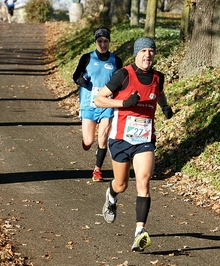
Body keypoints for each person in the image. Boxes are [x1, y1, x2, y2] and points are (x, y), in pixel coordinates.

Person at [94, 37, 173, 252]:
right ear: (137, 54)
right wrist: (123, 103)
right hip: (121, 139)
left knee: (144, 182)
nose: (148, 54)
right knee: (121, 185)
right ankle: (111, 196)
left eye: (151, 51)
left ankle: (139, 232)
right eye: (144, 51)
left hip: (145, 140)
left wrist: (165, 106)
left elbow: (159, 93)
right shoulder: (124, 75)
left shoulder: (158, 77)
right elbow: (99, 99)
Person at [72, 26, 123, 182]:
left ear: (109, 42)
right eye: (100, 41)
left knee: (103, 139)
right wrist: (80, 80)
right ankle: (86, 141)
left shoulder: (116, 60)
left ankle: (97, 170)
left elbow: (122, 81)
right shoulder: (87, 58)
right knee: (89, 141)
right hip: (89, 104)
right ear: (95, 42)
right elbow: (76, 75)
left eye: (105, 41)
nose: (103, 44)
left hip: (106, 104)